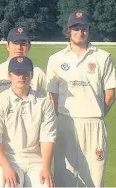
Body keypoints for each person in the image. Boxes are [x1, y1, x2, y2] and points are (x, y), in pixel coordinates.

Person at [47, 10, 115, 187]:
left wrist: (95, 113)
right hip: (66, 122)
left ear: (88, 29)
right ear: (68, 30)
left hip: (94, 123)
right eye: (75, 28)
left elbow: (110, 95)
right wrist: (60, 119)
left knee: (94, 179)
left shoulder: (103, 57)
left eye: (84, 28)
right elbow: (52, 96)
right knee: (64, 177)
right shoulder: (56, 59)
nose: (80, 32)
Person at [0, 56, 56, 187]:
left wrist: (46, 167)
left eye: (25, 73)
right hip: (9, 157)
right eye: (17, 73)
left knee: (46, 184)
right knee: (11, 184)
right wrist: (6, 168)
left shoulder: (44, 103)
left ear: (32, 75)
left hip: (35, 158)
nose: (21, 77)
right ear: (9, 75)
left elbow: (48, 138)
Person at [0, 27, 46, 100]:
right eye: (15, 43)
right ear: (7, 46)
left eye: (23, 43)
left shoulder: (38, 74)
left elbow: (45, 102)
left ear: (29, 46)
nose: (19, 47)